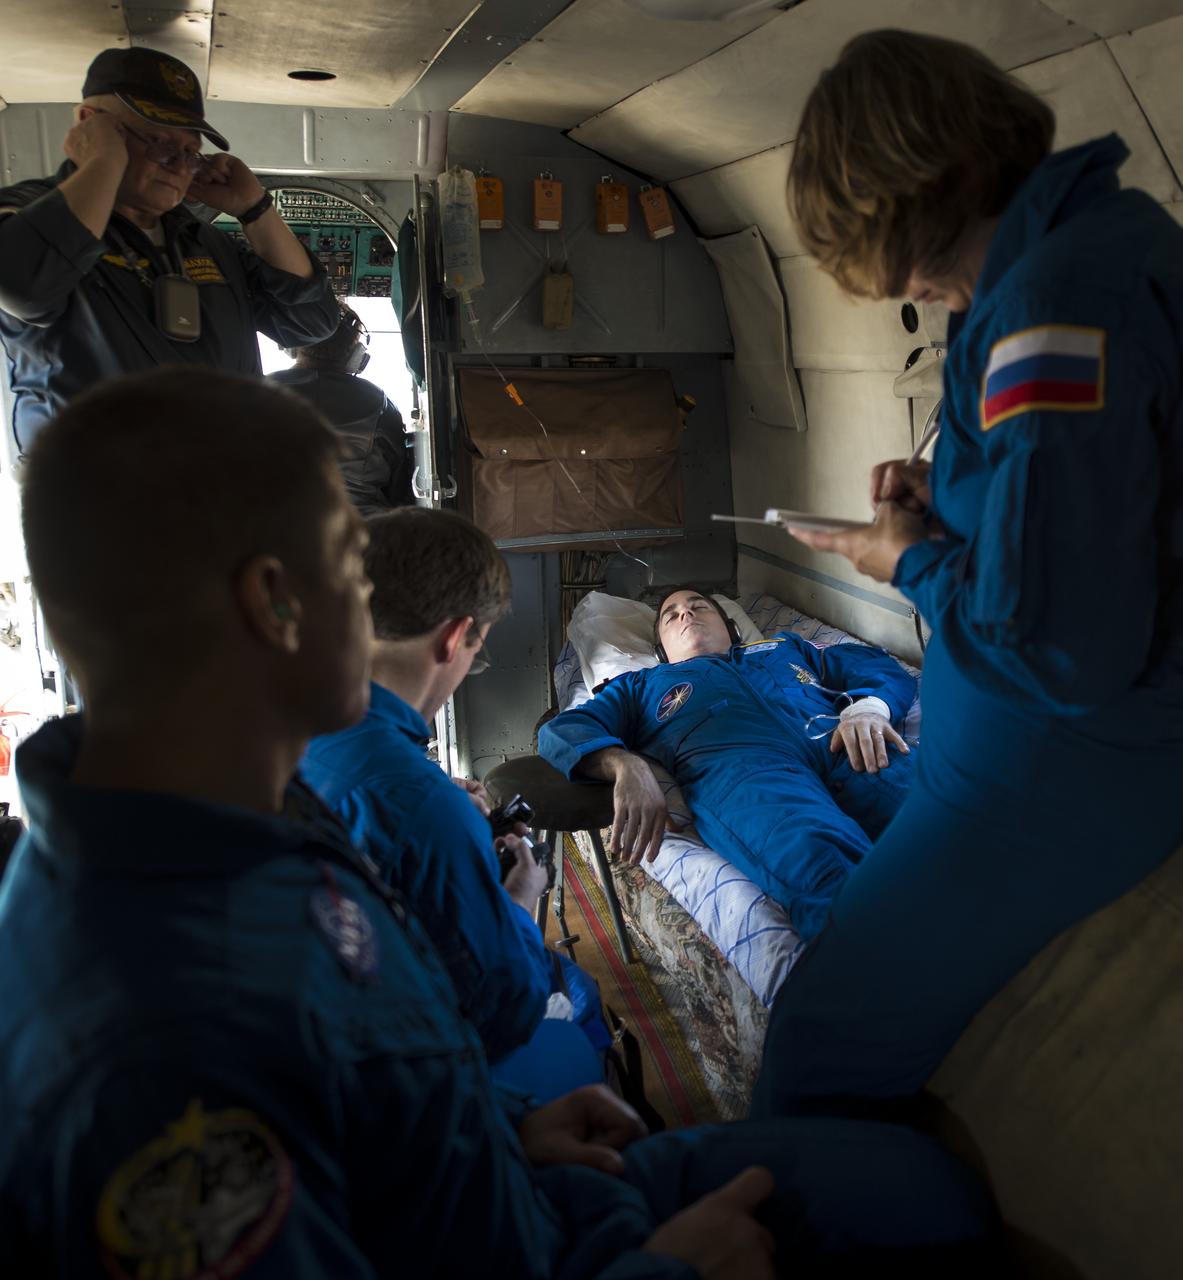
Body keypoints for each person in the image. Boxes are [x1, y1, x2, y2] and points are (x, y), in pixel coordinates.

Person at [0, 368, 1004, 1277]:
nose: (381, 604)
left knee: (924, 1184)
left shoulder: (241, 817)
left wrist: (501, 1125)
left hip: (512, 1176)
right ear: (275, 603)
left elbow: (372, 1087)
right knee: (933, 1216)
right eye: (353, 562)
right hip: (543, 1245)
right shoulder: (150, 1060)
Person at [749, 28, 1183, 1118]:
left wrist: (909, 560)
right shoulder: (1086, 256)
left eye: (919, 270)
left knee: (809, 1052)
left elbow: (1065, 647)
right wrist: (951, 504)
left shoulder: (1053, 306)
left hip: (1060, 769)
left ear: (928, 192)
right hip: (1001, 761)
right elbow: (1087, 508)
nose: (930, 296)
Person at [301, 506, 611, 1096]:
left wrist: (438, 809)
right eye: (479, 650)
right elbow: (501, 1012)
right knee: (575, 1000)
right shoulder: (418, 804)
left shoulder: (295, 723)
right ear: (451, 638)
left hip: (321, 1026)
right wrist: (518, 900)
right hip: (397, 1078)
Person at [0, 45, 338, 455]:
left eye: (190, 153)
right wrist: (102, 163)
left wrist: (256, 209)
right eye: (158, 142)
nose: (179, 166)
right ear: (91, 124)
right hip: (100, 501)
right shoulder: (26, 214)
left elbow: (309, 322)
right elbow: (23, 286)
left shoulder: (201, 239)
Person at [539, 587, 916, 942]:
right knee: (823, 869)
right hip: (750, 778)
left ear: (731, 628)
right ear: (661, 649)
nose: (685, 612)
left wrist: (869, 708)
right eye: (670, 616)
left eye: (698, 606)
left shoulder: (783, 648)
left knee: (939, 819)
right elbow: (564, 729)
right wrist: (622, 764)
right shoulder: (638, 687)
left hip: (845, 744)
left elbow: (873, 664)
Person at [270, 303, 415, 515]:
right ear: (357, 357)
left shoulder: (259, 391)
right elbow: (401, 483)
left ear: (292, 345)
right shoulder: (378, 403)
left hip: (269, 525)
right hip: (360, 528)